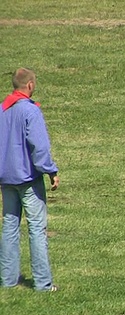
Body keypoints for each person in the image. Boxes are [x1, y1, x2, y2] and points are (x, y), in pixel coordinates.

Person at [0, 68, 59, 292]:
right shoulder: (30, 111)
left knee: (9, 226)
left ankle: (8, 281)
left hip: (6, 178)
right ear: (30, 86)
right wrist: (50, 170)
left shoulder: (2, 110)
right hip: (28, 179)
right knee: (36, 229)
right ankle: (43, 283)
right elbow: (39, 146)